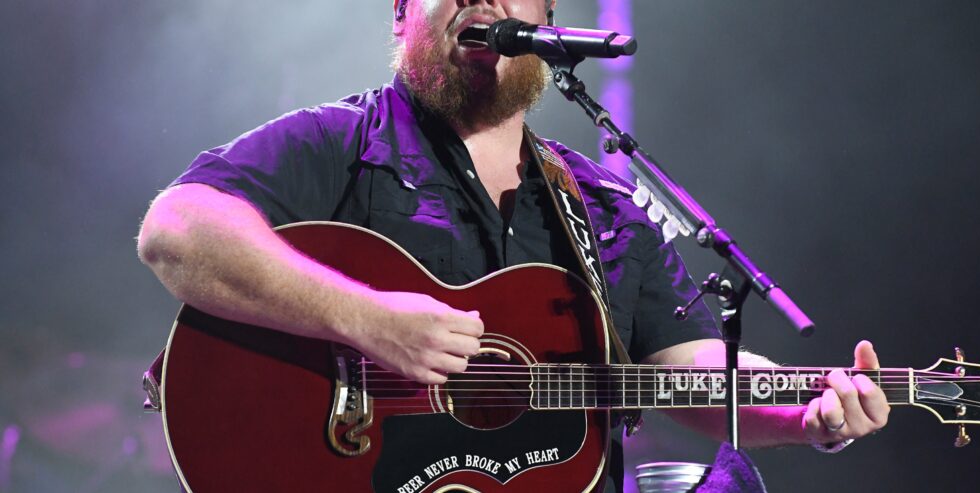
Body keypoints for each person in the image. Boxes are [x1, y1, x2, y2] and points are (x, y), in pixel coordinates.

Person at [137, 0, 889, 490]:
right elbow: (177, 229)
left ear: (544, 22)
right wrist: (366, 319)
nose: (486, 0)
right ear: (401, 14)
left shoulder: (601, 201)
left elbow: (682, 367)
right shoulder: (341, 142)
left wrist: (806, 414)